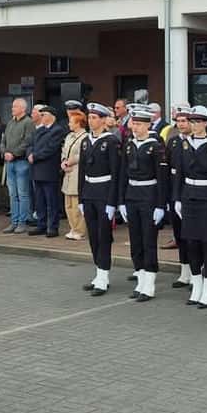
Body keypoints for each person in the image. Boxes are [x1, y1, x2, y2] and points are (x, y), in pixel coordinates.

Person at [173, 105, 207, 309]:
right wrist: (177, 199)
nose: (194, 125)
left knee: (206, 244)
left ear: (206, 123)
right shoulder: (184, 144)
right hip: (188, 196)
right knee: (191, 243)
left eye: (198, 121)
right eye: (191, 121)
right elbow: (179, 173)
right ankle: (196, 285)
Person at [121, 104, 169, 302]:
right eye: (134, 123)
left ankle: (149, 284)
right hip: (132, 194)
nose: (135, 127)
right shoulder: (129, 144)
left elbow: (162, 178)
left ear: (148, 125)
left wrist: (160, 205)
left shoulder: (155, 146)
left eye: (139, 124)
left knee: (149, 241)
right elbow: (123, 174)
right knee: (136, 241)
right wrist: (121, 201)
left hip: (149, 195)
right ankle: (140, 279)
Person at [77, 102, 121, 296]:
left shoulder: (111, 141)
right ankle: (99, 273)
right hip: (89, 192)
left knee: (104, 236)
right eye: (89, 117)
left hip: (104, 192)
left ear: (103, 120)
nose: (90, 120)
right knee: (93, 235)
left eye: (94, 118)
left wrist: (112, 202)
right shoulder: (85, 141)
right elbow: (82, 171)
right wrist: (81, 198)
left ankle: (103, 277)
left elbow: (116, 173)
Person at [29, 105, 67, 237]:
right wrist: (30, 154)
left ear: (52, 116)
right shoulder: (39, 130)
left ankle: (52, 227)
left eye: (43, 115)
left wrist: (35, 156)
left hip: (49, 169)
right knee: (39, 201)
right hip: (37, 170)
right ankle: (41, 224)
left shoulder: (57, 130)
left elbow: (51, 148)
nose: (41, 117)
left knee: (51, 201)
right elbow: (30, 144)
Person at [164, 107, 192, 285]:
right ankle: (185, 271)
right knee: (179, 233)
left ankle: (199, 270)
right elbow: (166, 168)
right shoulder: (173, 142)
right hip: (175, 190)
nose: (181, 125)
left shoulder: (198, 141)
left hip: (192, 189)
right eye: (178, 121)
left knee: (195, 235)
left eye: (184, 121)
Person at [0, 97, 34, 234]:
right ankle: (13, 222)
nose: (12, 108)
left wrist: (14, 153)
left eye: (15, 106)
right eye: (13, 106)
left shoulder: (28, 122)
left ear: (23, 108)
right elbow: (3, 140)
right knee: (12, 194)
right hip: (9, 162)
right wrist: (5, 152)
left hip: (21, 162)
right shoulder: (10, 122)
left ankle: (22, 222)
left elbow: (27, 142)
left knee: (22, 193)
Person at [60, 107, 87, 241]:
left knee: (76, 204)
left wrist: (70, 162)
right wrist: (63, 161)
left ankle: (80, 230)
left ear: (78, 123)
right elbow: (64, 151)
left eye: (71, 122)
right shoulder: (69, 136)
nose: (69, 124)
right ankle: (73, 228)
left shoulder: (85, 137)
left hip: (77, 171)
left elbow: (82, 154)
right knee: (68, 204)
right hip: (68, 173)